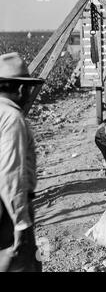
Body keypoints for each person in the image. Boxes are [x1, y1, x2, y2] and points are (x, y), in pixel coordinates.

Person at [0, 52, 43, 272]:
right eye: (27, 88)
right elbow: (10, 174)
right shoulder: (12, 118)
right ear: (20, 89)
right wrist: (21, 222)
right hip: (7, 209)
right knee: (23, 264)